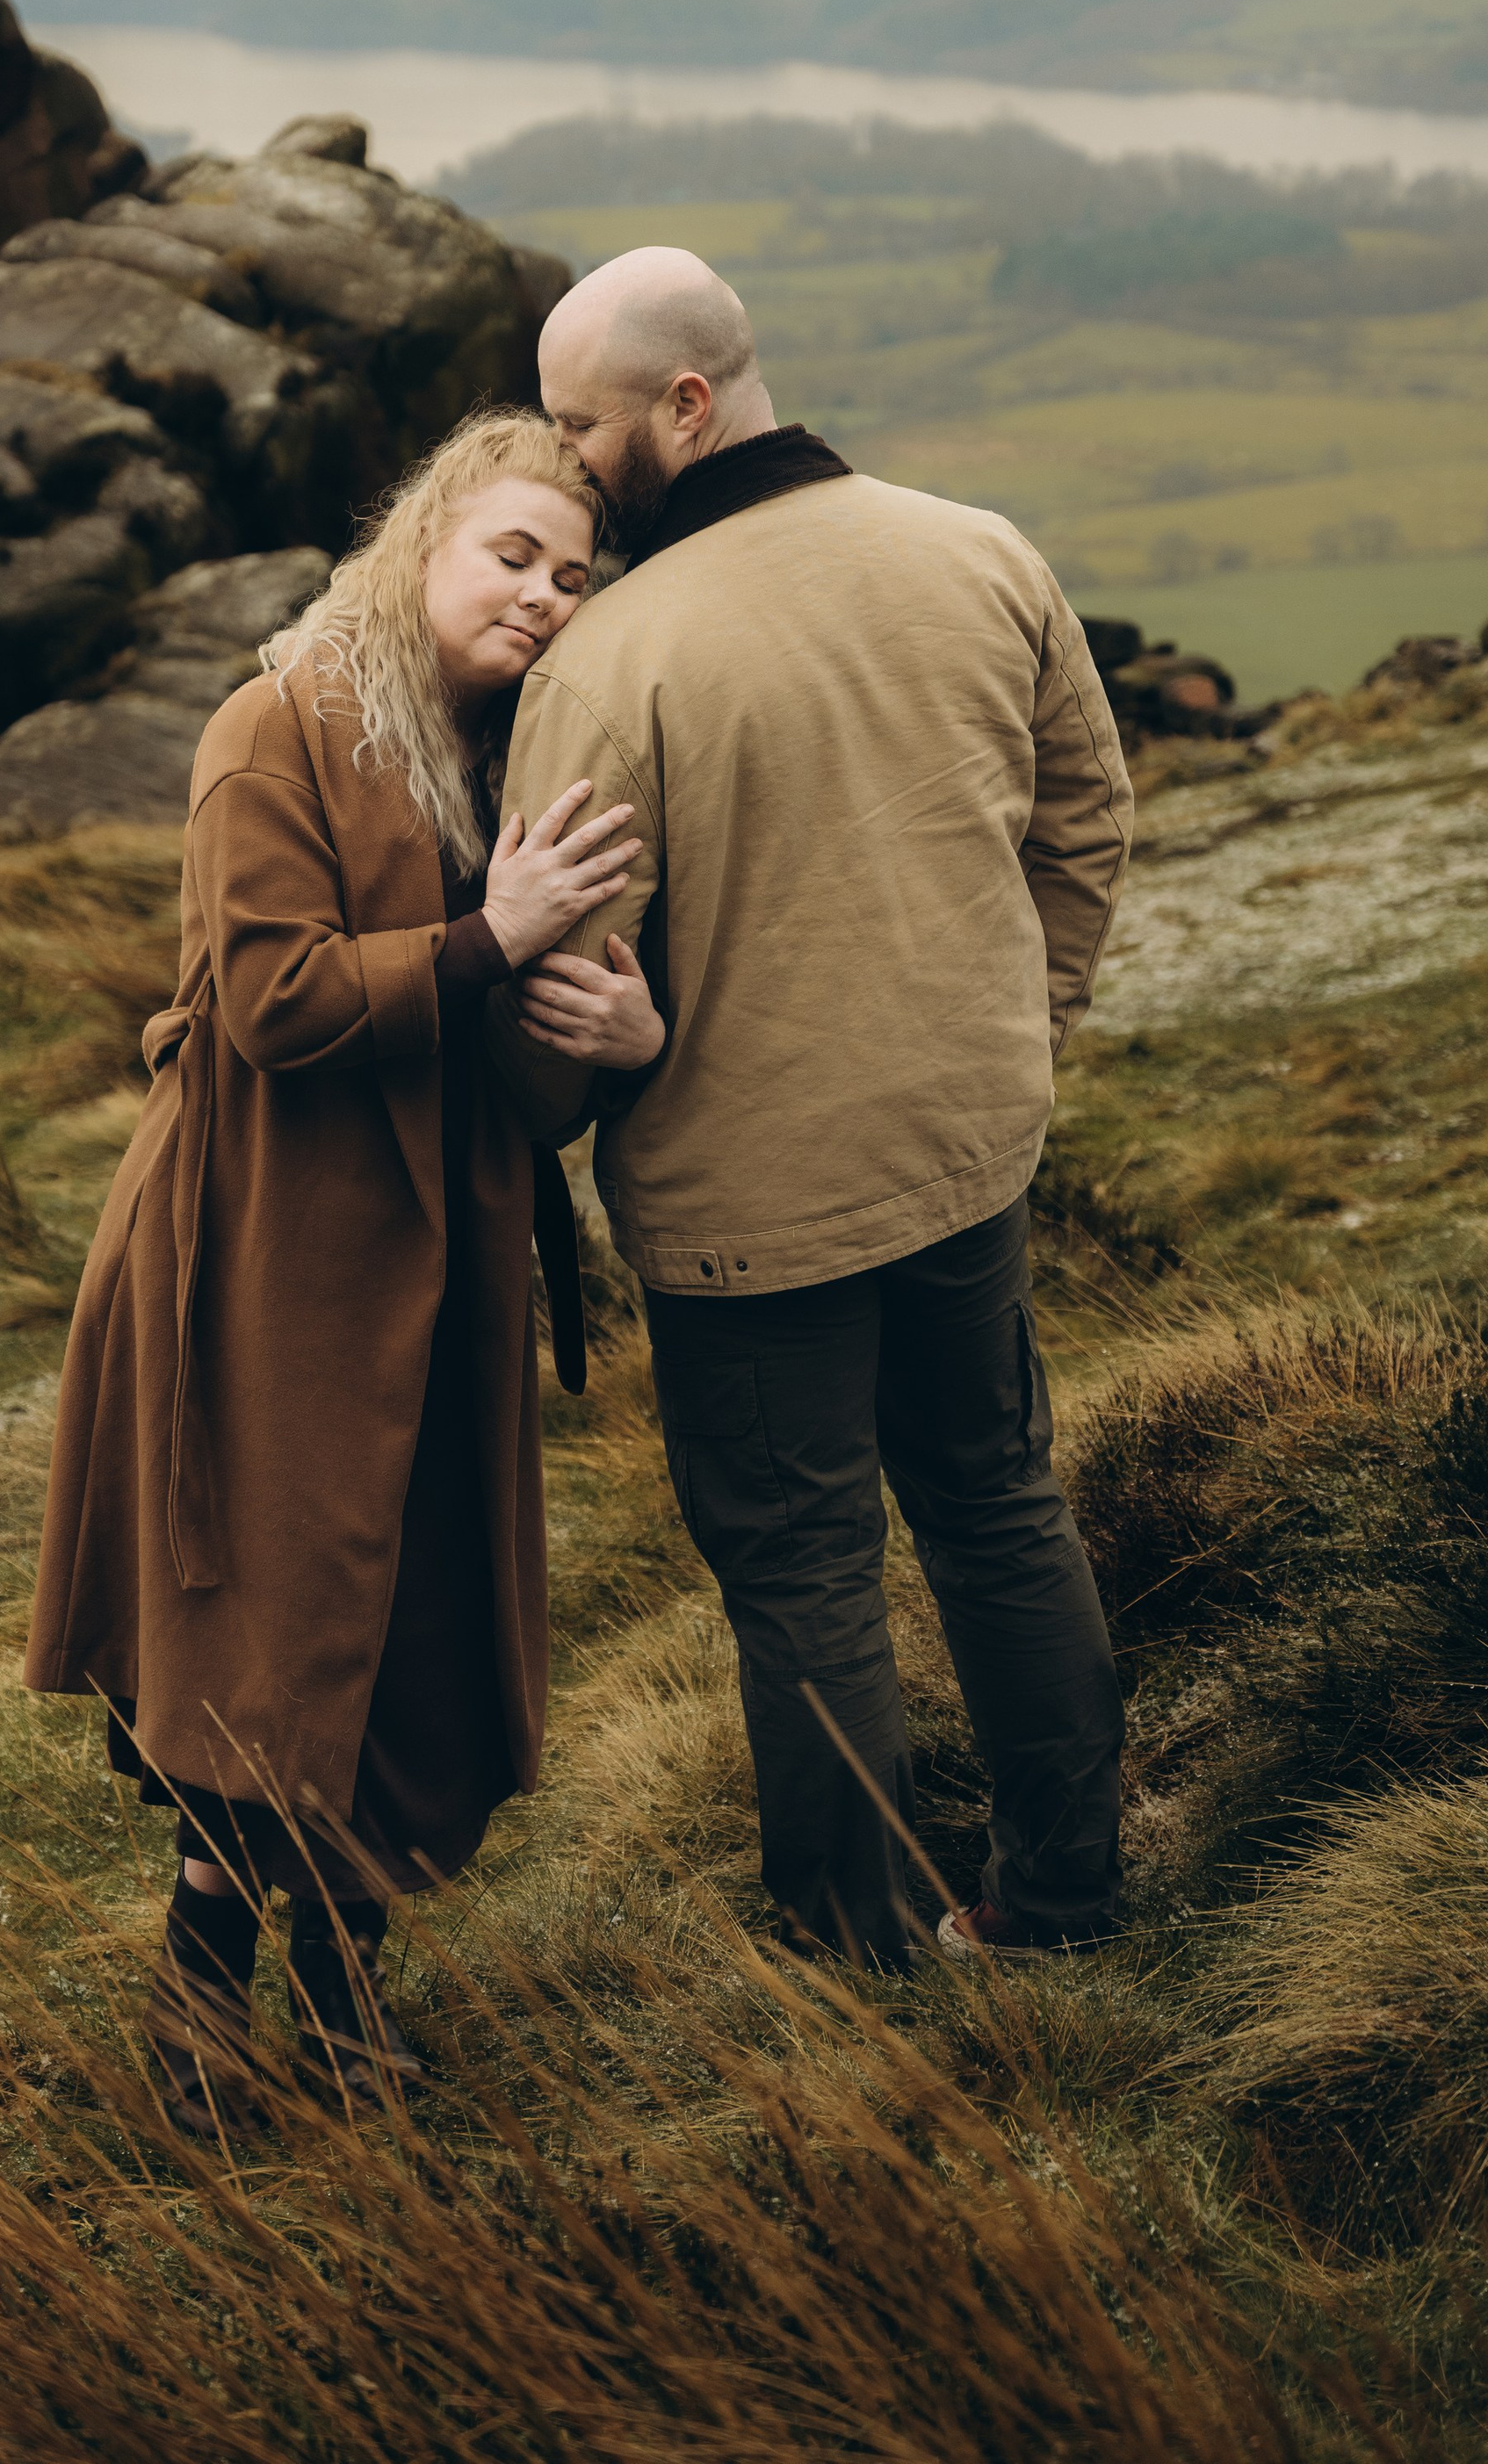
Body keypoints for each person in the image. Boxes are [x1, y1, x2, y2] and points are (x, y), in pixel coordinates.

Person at [486, 248, 1132, 1970]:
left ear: (684, 406)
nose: (564, 465)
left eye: (583, 426)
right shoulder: (978, 550)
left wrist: (589, 1075)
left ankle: (856, 1961)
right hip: (966, 1156)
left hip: (741, 1219)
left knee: (804, 1579)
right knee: (996, 1507)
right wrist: (1021, 1034)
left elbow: (557, 1005)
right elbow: (1086, 826)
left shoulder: (606, 667)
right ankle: (1062, 1905)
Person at [24, 410, 638, 2124]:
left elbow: (530, 1056)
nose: (539, 596)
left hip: (445, 1268)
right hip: (266, 1262)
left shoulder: (519, 755)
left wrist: (614, 1027)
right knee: (274, 1650)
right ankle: (208, 2029)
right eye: (510, 555)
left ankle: (337, 2011)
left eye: (571, 577)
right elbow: (272, 1005)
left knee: (404, 1633)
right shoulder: (275, 724)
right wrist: (485, 938)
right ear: (423, 541)